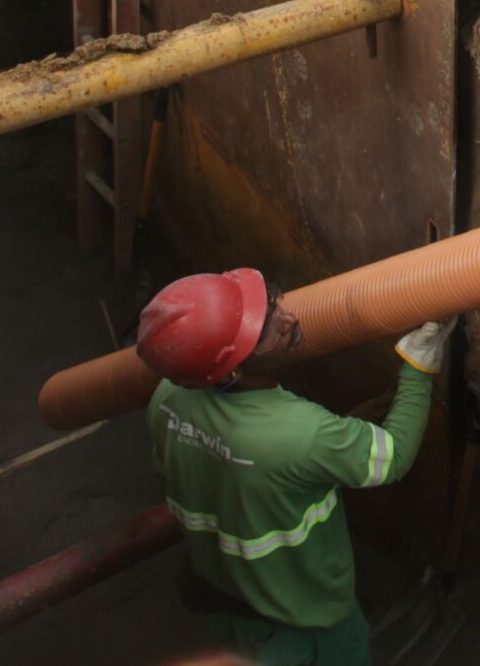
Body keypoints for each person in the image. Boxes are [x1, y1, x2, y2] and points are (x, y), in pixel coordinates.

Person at [142, 267, 451, 665]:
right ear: (231, 368)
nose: (288, 319)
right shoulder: (302, 433)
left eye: (271, 308)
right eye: (264, 330)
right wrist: (419, 364)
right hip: (305, 625)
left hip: (221, 600)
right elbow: (391, 458)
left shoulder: (167, 397)